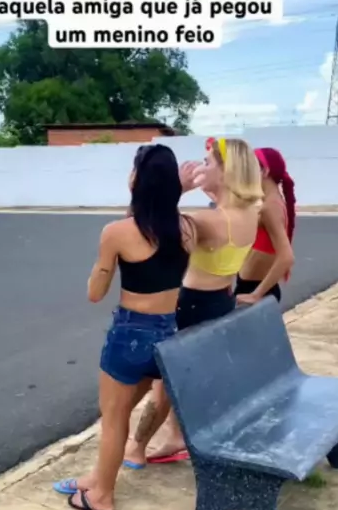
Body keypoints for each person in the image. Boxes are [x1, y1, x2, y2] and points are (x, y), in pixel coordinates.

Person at [52, 143, 197, 510]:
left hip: (130, 334)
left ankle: (102, 494)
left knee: (114, 419)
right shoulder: (187, 228)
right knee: (120, 413)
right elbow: (159, 219)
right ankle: (96, 477)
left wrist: (103, 264)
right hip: (167, 332)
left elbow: (95, 293)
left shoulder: (117, 232)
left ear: (137, 181)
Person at [124, 137, 264, 467]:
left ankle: (136, 449)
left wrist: (177, 190)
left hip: (190, 306)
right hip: (219, 301)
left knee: (162, 385)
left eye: (208, 163)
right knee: (178, 380)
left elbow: (139, 227)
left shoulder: (207, 221)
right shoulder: (248, 213)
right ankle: (174, 436)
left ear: (227, 172)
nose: (201, 168)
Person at [235, 147, 296, 304]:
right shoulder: (270, 201)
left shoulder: (271, 207)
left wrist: (256, 295)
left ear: (265, 171)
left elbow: (286, 257)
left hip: (254, 289)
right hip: (249, 286)